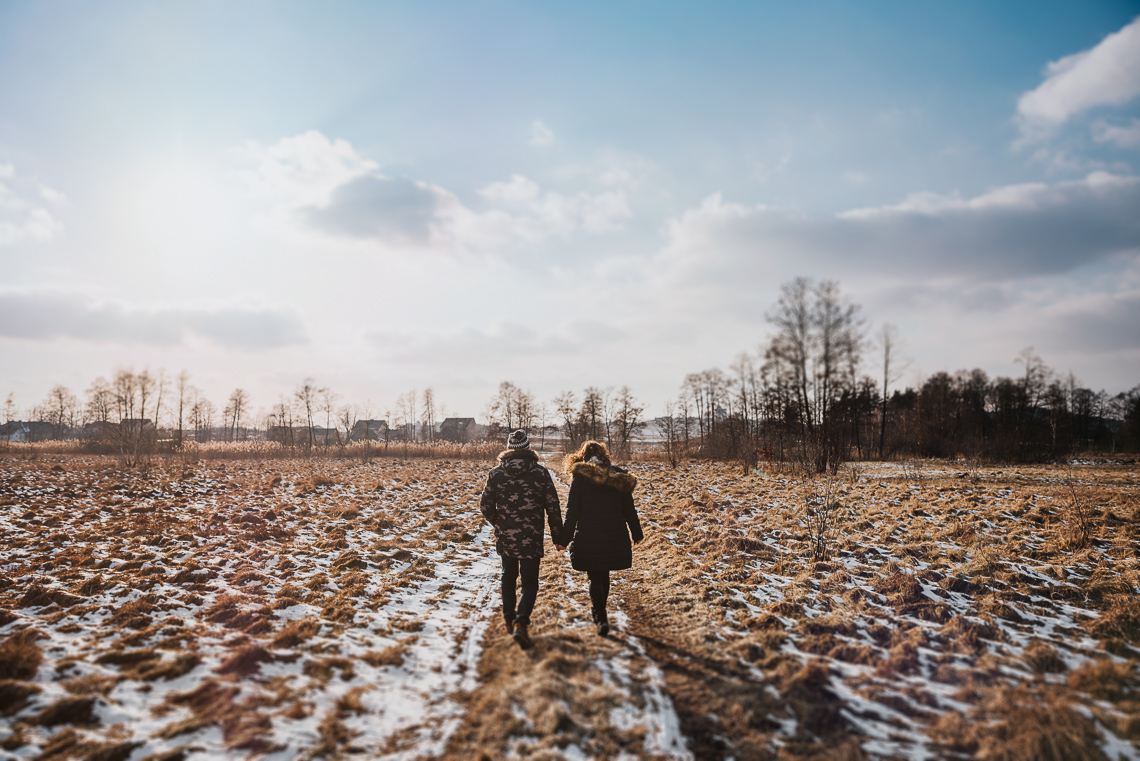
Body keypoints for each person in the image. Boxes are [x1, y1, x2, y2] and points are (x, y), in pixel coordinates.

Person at [479, 429, 564, 650]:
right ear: (527, 448)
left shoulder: (496, 474)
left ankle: (509, 619)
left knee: (508, 577)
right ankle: (521, 622)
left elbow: (485, 506)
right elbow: (553, 507)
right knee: (529, 581)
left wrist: (500, 524)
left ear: (509, 448)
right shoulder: (540, 474)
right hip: (531, 537)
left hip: (506, 537)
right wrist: (558, 536)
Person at [556, 440, 643, 636]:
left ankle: (600, 615)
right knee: (604, 574)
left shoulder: (580, 478)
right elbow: (629, 509)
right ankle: (600, 612)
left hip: (589, 534)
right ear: (604, 456)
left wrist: (563, 539)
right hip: (614, 534)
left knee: (595, 576)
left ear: (583, 456)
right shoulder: (618, 476)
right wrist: (636, 533)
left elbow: (572, 512)